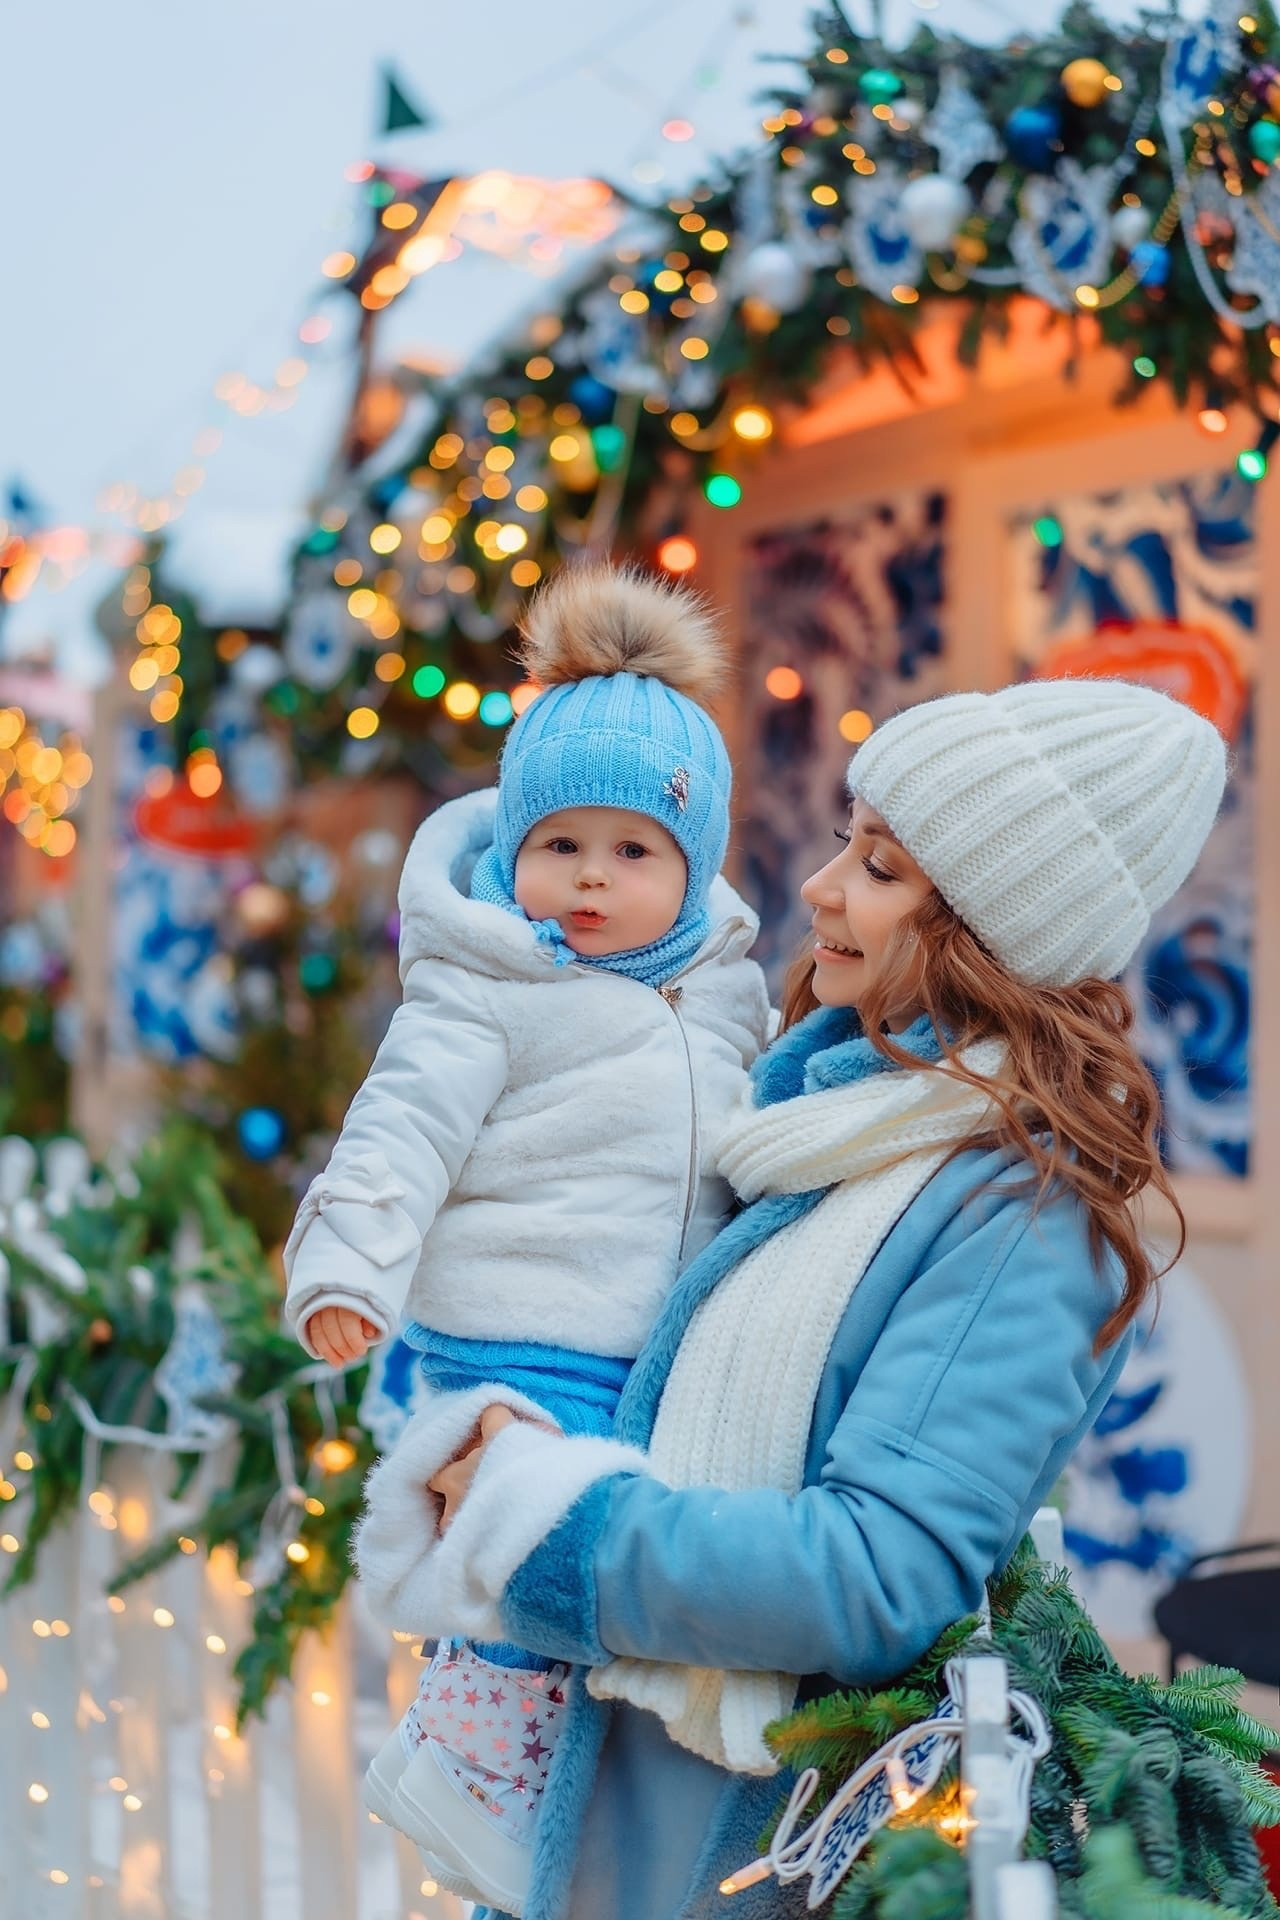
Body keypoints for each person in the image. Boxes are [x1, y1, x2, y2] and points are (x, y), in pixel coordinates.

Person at [357, 676, 1227, 1920]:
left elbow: (874, 1573)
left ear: (987, 927)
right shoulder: (819, 1121)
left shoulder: (1018, 1218)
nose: (818, 888)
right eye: (841, 842)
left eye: (877, 867)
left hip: (733, 1847)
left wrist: (538, 1520)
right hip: (618, 1807)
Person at [282, 565, 770, 1913]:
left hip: (654, 1353)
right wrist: (346, 1270)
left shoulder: (724, 995)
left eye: (633, 851)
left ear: (692, 865)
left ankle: (533, 1799)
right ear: (511, 852)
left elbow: (753, 1130)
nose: (592, 877)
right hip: (521, 1333)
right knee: (532, 1558)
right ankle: (475, 1779)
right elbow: (397, 1134)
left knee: (607, 1604)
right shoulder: (488, 992)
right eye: (560, 846)